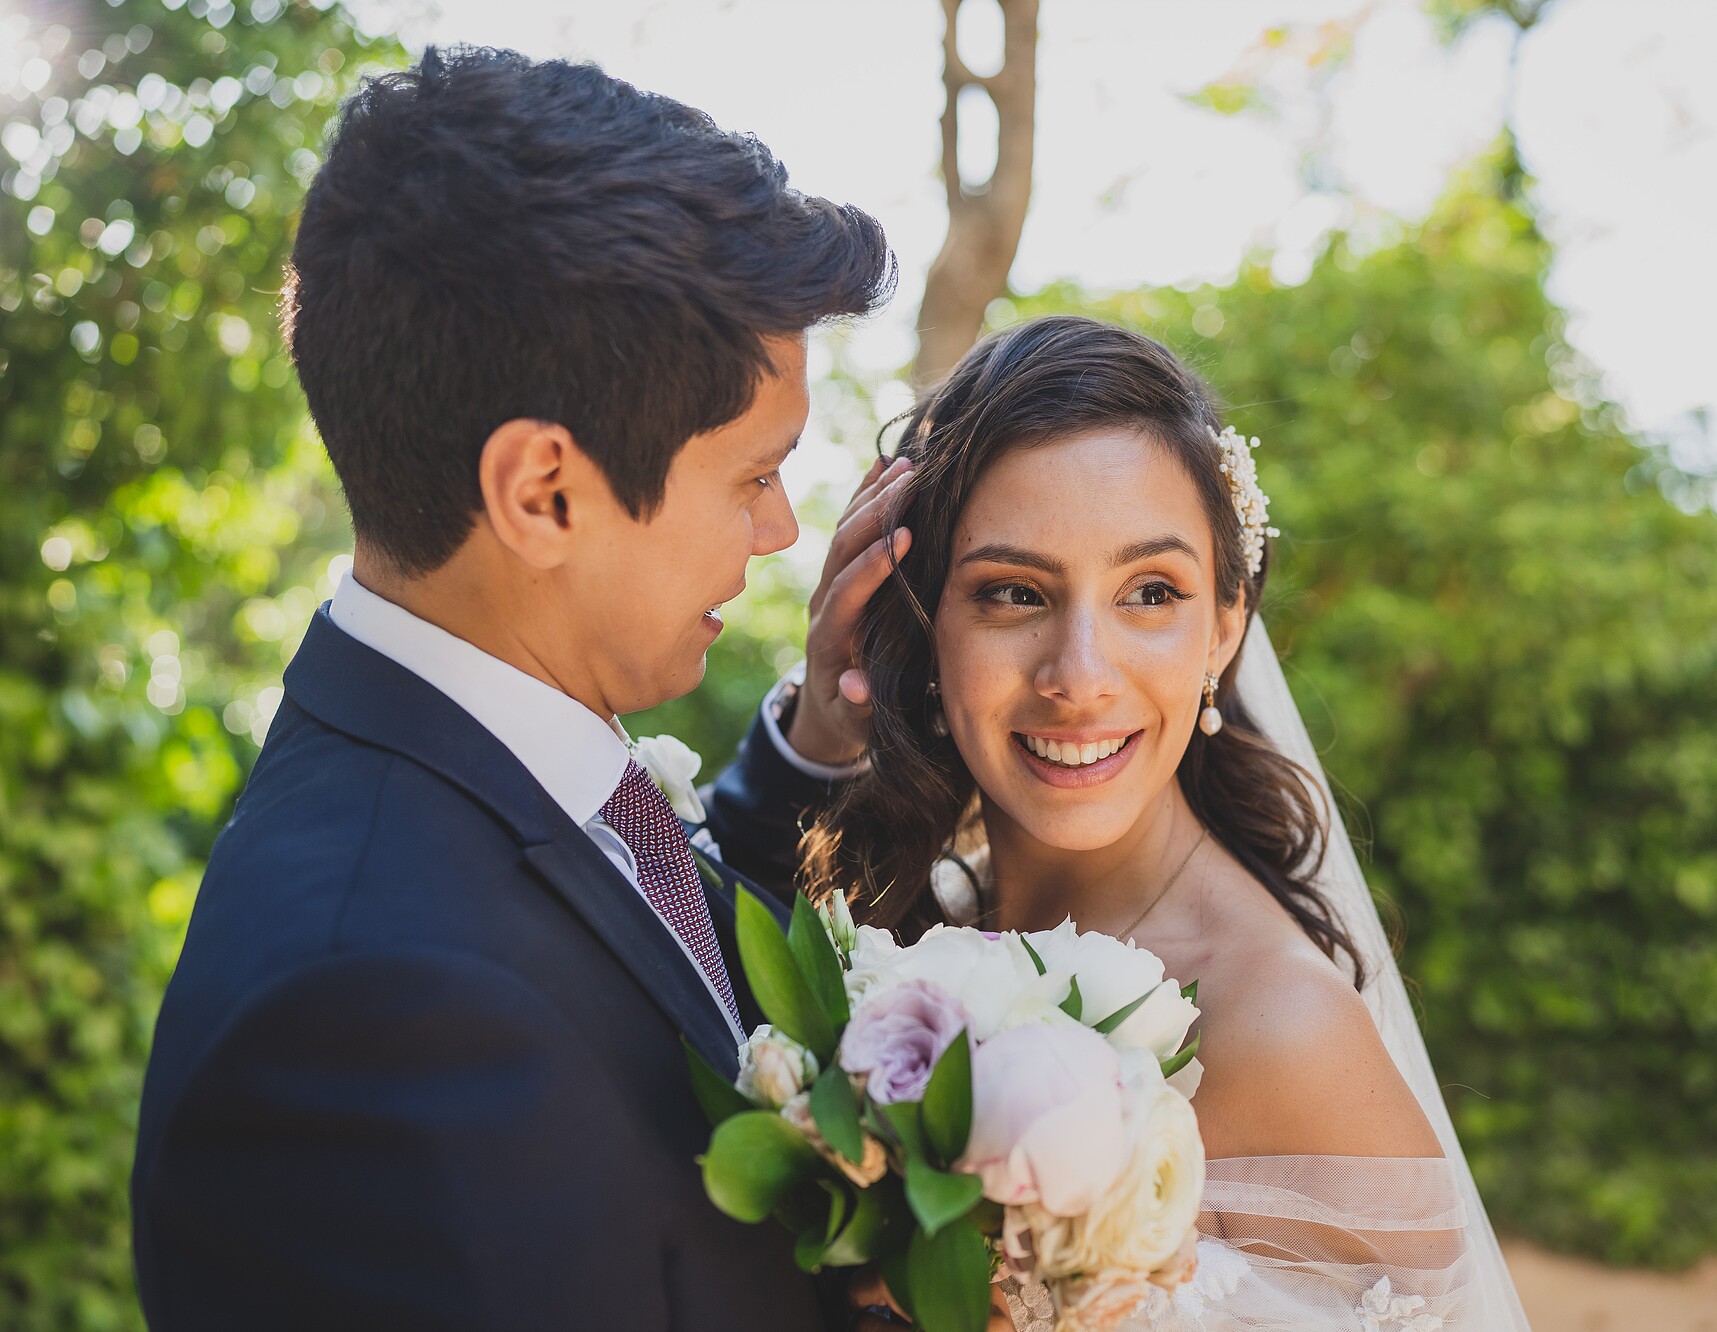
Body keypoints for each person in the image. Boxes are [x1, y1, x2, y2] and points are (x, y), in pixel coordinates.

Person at [130, 45, 903, 1330]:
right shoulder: (366, 1024)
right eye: (752, 475)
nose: (778, 532)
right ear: (543, 491)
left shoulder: (482, 764)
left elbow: (640, 961)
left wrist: (817, 746)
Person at [793, 315, 1535, 1330]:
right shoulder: (904, 939)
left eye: (1150, 592)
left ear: (1223, 629)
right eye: (1013, 594)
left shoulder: (1279, 1027)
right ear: (923, 627)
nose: (1079, 677)